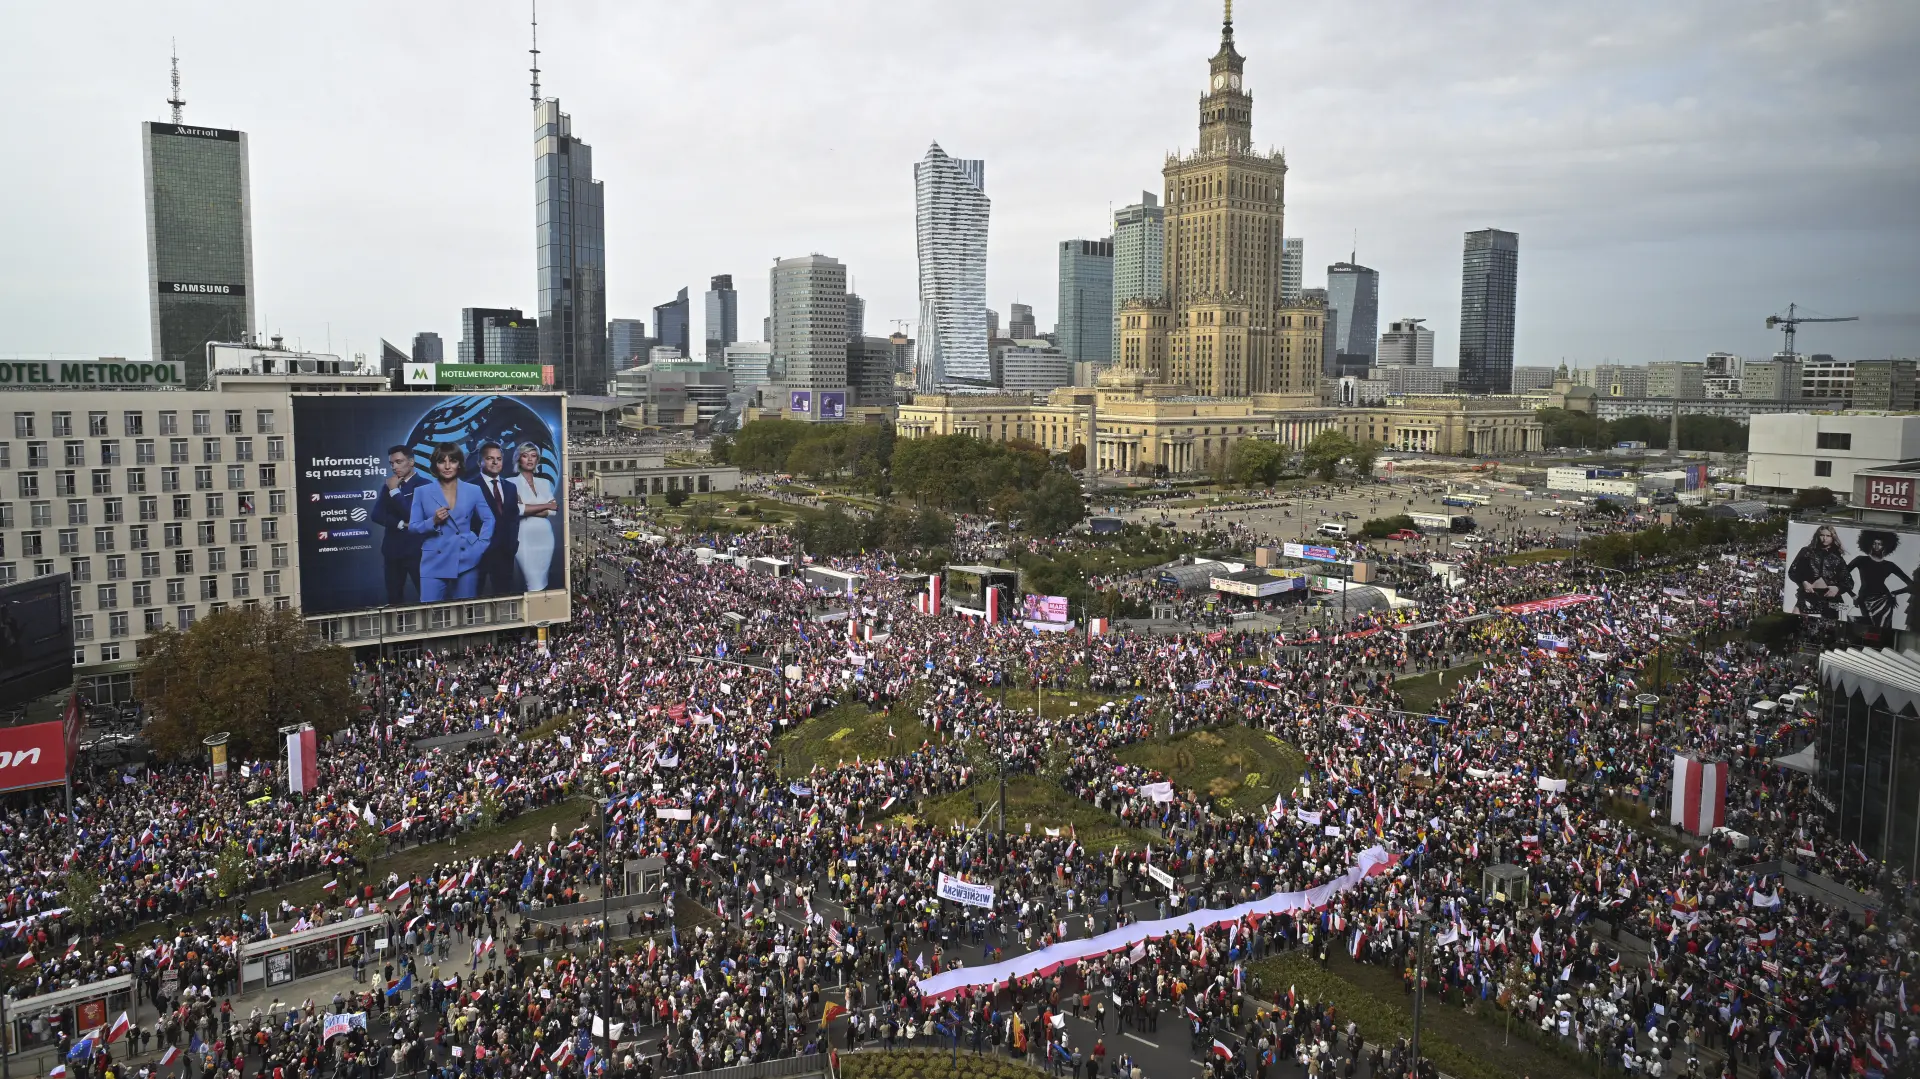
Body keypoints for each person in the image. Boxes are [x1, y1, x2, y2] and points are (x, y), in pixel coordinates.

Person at [408, 443, 495, 602]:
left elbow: (489, 519)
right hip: (433, 559)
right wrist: (432, 521)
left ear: (459, 464)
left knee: (464, 614)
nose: (447, 466)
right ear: (435, 465)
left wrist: (480, 546)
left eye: (452, 461)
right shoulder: (422, 492)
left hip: (466, 558)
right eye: (442, 461)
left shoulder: (473, 490)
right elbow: (413, 527)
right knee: (429, 614)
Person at [370, 446, 429, 605]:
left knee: (428, 598)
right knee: (394, 600)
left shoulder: (425, 485)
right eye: (391, 463)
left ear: (411, 462)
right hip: (392, 552)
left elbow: (413, 515)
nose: (394, 467)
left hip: (418, 552)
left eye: (398, 462)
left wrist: (395, 491)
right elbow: (376, 515)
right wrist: (401, 524)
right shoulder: (388, 485)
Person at [473, 443, 521, 596]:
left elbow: (514, 518)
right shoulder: (470, 487)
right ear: (479, 462)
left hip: (505, 553)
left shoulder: (510, 487)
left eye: (498, 459)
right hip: (479, 554)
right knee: (473, 597)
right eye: (489, 458)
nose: (495, 462)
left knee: (505, 598)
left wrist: (513, 544)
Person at [509, 443, 558, 591]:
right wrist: (545, 505)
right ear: (519, 459)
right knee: (533, 583)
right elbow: (518, 510)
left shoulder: (545, 483)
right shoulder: (511, 483)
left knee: (543, 581)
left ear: (537, 460)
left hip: (546, 538)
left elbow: (554, 510)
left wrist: (529, 508)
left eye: (533, 456)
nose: (530, 459)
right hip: (524, 538)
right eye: (525, 456)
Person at [1848, 529, 1912, 628]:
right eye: (1874, 543)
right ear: (1869, 543)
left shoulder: (1889, 565)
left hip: (1884, 601)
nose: (1877, 546)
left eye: (1880, 544)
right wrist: (1852, 594)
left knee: (1883, 630)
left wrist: (1894, 593)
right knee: (1868, 628)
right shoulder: (1861, 560)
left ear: (1885, 546)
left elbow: (1912, 585)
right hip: (1864, 599)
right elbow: (1841, 576)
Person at [1787, 524, 1850, 618]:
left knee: (1826, 628)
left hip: (1829, 598)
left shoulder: (1837, 558)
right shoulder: (1807, 551)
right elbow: (1793, 571)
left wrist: (1837, 588)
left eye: (1828, 536)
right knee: (1796, 621)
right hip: (1809, 594)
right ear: (1817, 536)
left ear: (1833, 537)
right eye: (1822, 535)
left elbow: (1848, 581)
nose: (1824, 538)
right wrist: (1803, 582)